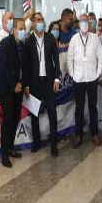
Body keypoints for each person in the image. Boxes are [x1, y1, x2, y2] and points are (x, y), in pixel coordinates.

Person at [23, 12, 61, 157]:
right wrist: (26, 84)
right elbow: (25, 65)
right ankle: (36, 142)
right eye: (37, 20)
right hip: (34, 82)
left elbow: (56, 60)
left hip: (49, 81)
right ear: (32, 23)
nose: (40, 22)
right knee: (34, 114)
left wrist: (57, 79)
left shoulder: (50, 38)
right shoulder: (28, 40)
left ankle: (54, 144)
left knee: (52, 112)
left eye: (42, 20)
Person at [0, 18, 26, 168]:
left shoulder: (22, 45)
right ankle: (4, 154)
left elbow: (24, 67)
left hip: (18, 86)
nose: (23, 30)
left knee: (16, 116)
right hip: (5, 86)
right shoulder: (5, 43)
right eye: (20, 28)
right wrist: (14, 85)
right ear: (13, 29)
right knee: (9, 117)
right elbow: (3, 68)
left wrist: (23, 84)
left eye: (24, 28)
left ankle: (11, 147)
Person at [67, 13, 101, 148]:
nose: (84, 24)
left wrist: (98, 73)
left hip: (92, 78)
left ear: (90, 23)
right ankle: (79, 135)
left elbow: (100, 58)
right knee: (79, 108)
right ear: (78, 24)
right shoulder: (74, 39)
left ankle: (94, 134)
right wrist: (73, 74)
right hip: (78, 79)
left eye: (86, 21)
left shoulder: (95, 38)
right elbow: (70, 59)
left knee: (93, 107)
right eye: (82, 21)